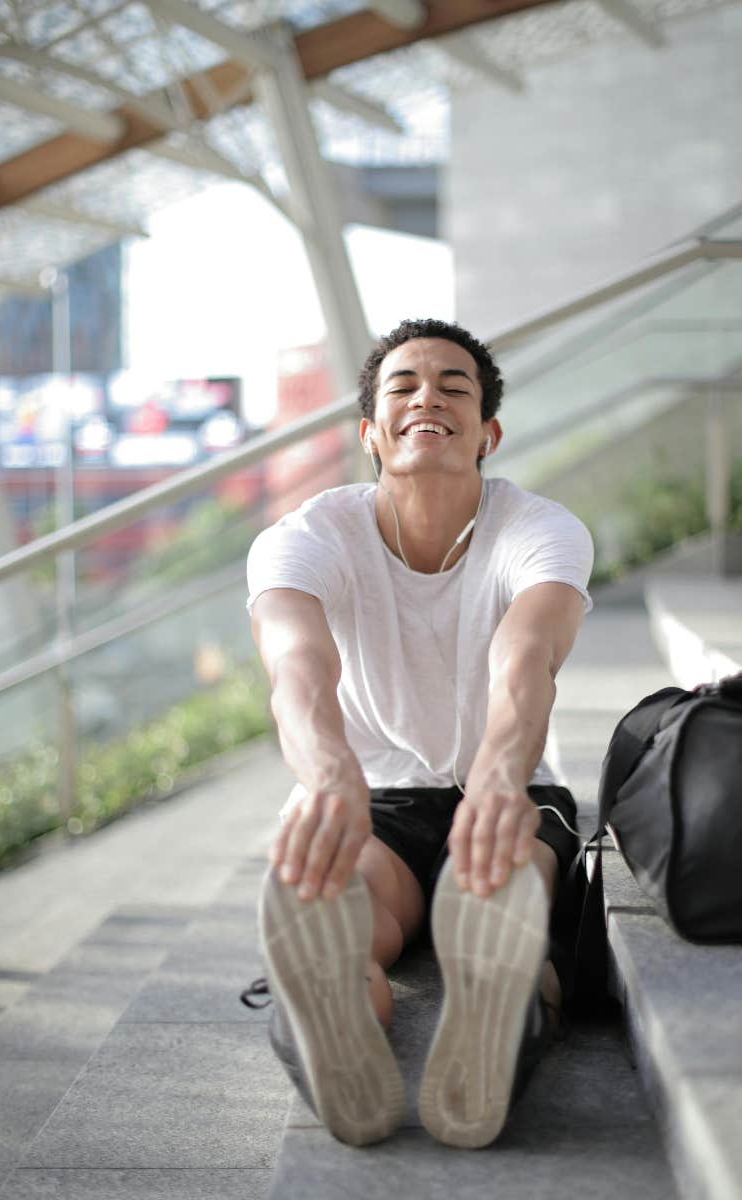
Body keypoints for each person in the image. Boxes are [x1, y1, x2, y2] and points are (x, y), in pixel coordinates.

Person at [241, 318, 593, 1149]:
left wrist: (502, 776)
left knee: (507, 892)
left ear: (487, 434)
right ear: (370, 433)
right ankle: (335, 1020)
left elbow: (527, 660)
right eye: (402, 386)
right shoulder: (307, 537)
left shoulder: (541, 530)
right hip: (374, 799)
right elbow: (298, 669)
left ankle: (500, 1006)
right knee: (345, 915)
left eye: (452, 386)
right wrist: (330, 778)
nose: (426, 396)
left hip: (508, 793)